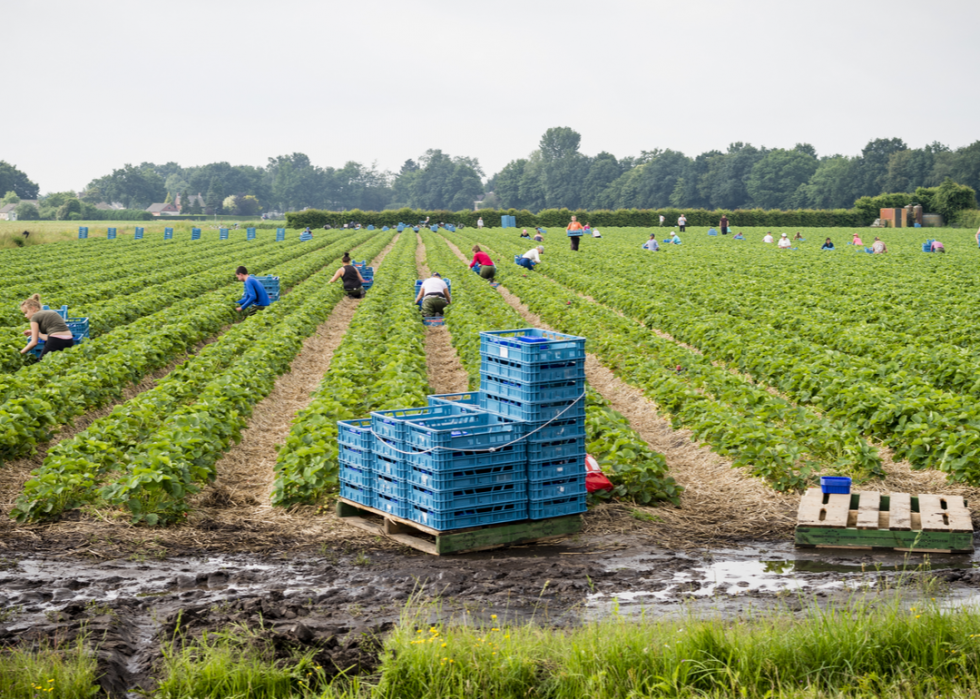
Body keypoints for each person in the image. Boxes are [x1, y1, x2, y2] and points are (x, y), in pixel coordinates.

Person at [19, 294, 74, 358]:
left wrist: (21, 353)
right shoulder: (49, 312)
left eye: (26, 312)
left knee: (42, 363)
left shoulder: (34, 317)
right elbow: (52, 338)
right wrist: (34, 333)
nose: (25, 316)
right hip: (69, 340)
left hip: (56, 341)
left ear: (33, 308)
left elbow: (34, 342)